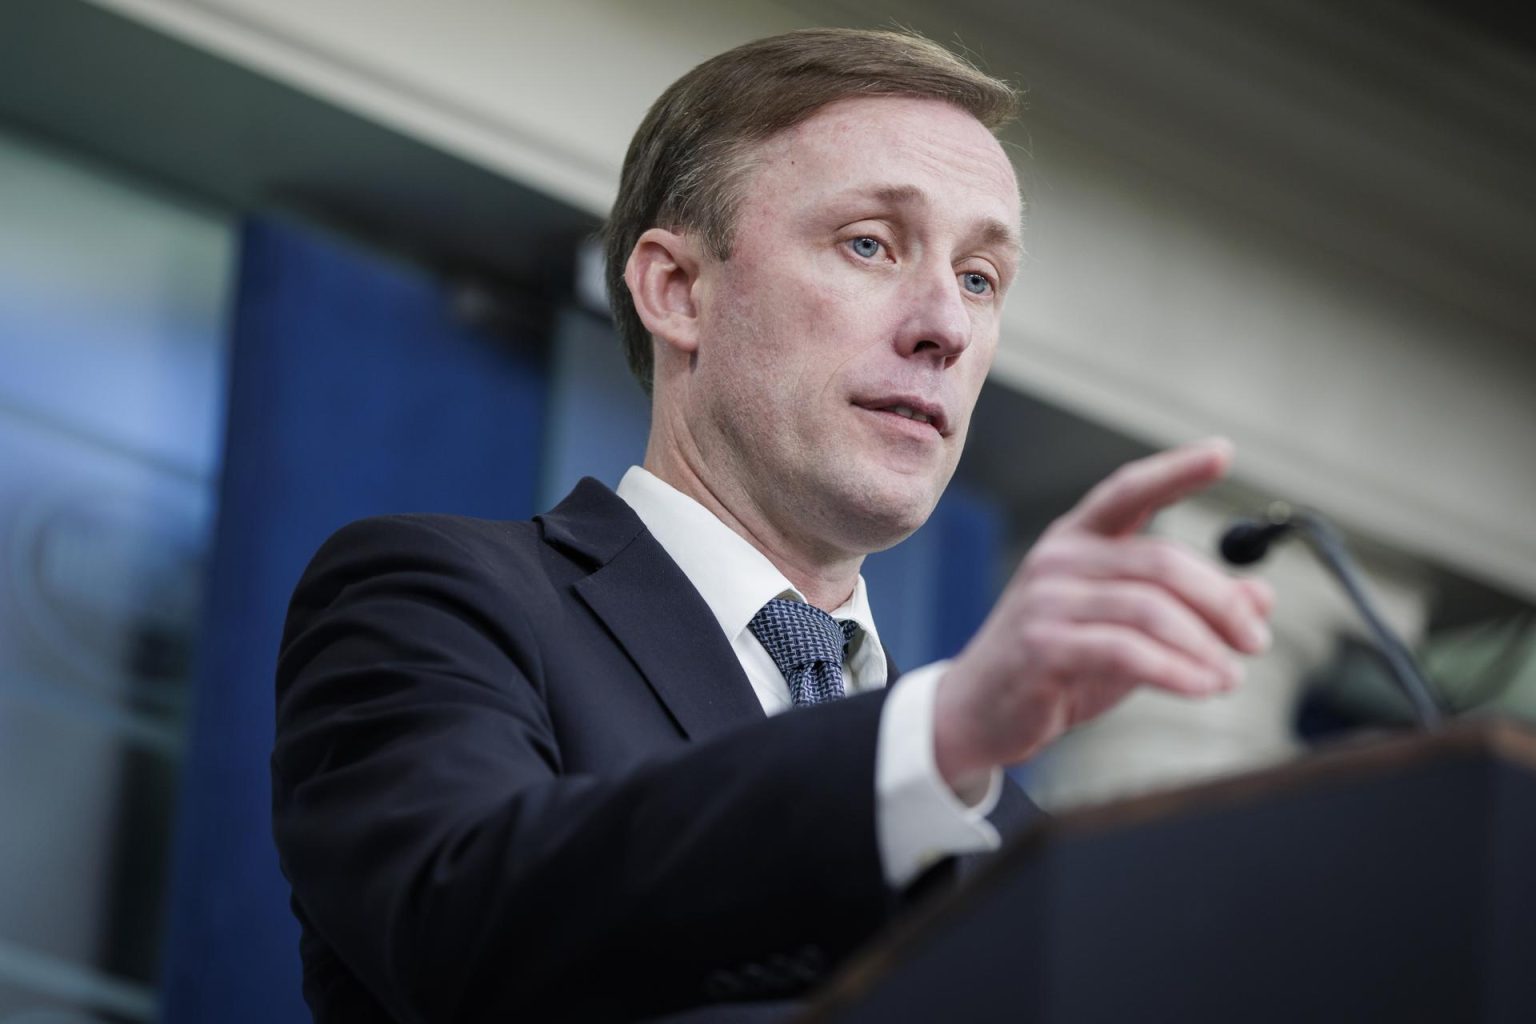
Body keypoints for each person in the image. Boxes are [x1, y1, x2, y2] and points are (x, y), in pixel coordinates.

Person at [271, 27, 1274, 1024]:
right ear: (678, 290)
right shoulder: (437, 599)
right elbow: (461, 924)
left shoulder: (1006, 835)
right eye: (870, 244)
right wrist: (933, 738)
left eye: (979, 276)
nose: (947, 324)